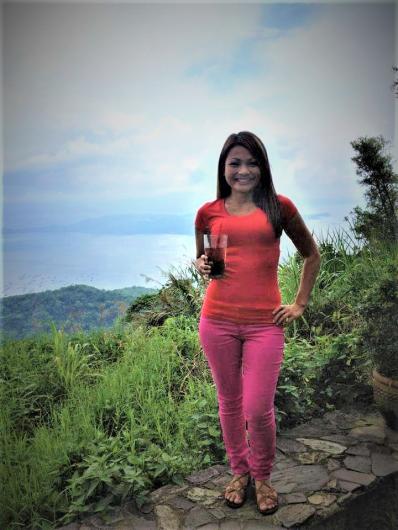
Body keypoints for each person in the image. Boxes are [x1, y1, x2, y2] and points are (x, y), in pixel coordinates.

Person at [194, 131, 321, 515]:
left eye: (251, 162)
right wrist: (200, 264)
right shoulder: (208, 212)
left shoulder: (279, 207)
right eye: (235, 163)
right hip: (216, 320)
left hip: (265, 324)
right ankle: (239, 472)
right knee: (229, 403)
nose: (243, 170)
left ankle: (262, 476)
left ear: (263, 167)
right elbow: (207, 263)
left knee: (257, 406)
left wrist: (299, 303)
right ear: (224, 168)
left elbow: (311, 255)